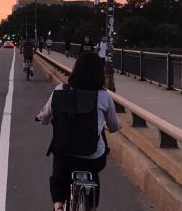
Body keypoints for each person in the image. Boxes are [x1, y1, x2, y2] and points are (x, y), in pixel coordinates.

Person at [36, 52, 120, 211]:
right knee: (93, 174)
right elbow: (114, 126)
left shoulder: (61, 90)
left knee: (58, 178)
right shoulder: (103, 96)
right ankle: (91, 206)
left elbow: (45, 115)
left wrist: (43, 120)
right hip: (93, 156)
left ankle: (59, 206)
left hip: (65, 154)